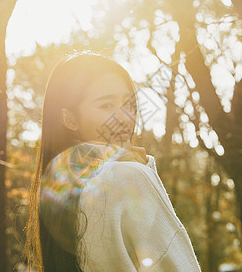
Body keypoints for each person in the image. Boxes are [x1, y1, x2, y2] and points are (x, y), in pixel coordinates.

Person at [25, 52, 202, 272]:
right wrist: (144, 172)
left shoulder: (62, 193)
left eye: (130, 106)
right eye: (107, 106)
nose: (126, 118)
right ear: (70, 119)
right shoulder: (127, 176)